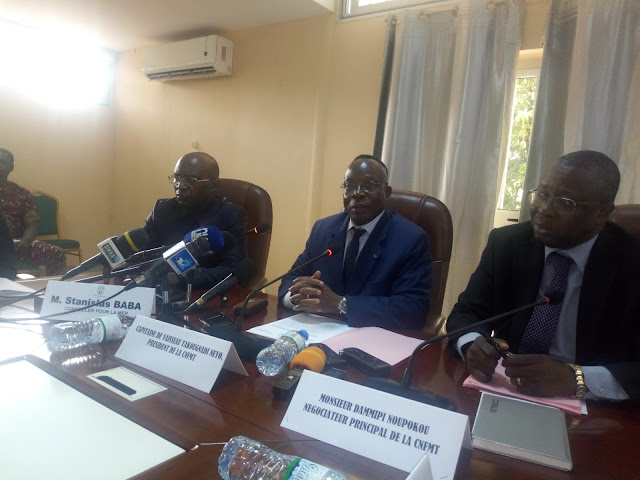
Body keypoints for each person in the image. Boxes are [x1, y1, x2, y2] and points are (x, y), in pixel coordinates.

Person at [447, 150, 640, 401]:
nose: (544, 209)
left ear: (602, 213)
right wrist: (472, 344)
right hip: (508, 387)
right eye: (542, 194)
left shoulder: (631, 263)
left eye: (565, 203)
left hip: (594, 407)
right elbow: (466, 312)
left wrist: (576, 379)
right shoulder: (507, 243)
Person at [278, 154, 432, 330]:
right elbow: (290, 280)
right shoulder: (323, 229)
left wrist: (340, 304)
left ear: (387, 192)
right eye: (350, 186)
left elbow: (412, 309)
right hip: (319, 331)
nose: (357, 193)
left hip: (374, 338)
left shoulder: (411, 239)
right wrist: (299, 296)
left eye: (369, 185)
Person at [143, 151, 247, 290]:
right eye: (176, 178)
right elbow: (143, 254)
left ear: (213, 186)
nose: (180, 185)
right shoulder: (162, 209)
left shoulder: (231, 215)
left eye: (190, 180)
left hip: (206, 293)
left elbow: (231, 269)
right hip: (161, 289)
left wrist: (183, 278)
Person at [0, 148, 65, 275]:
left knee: (56, 253)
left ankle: (52, 286)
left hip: (18, 245)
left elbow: (32, 224)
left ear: (11, 168)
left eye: (2, 162)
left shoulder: (22, 193)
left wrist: (25, 242)